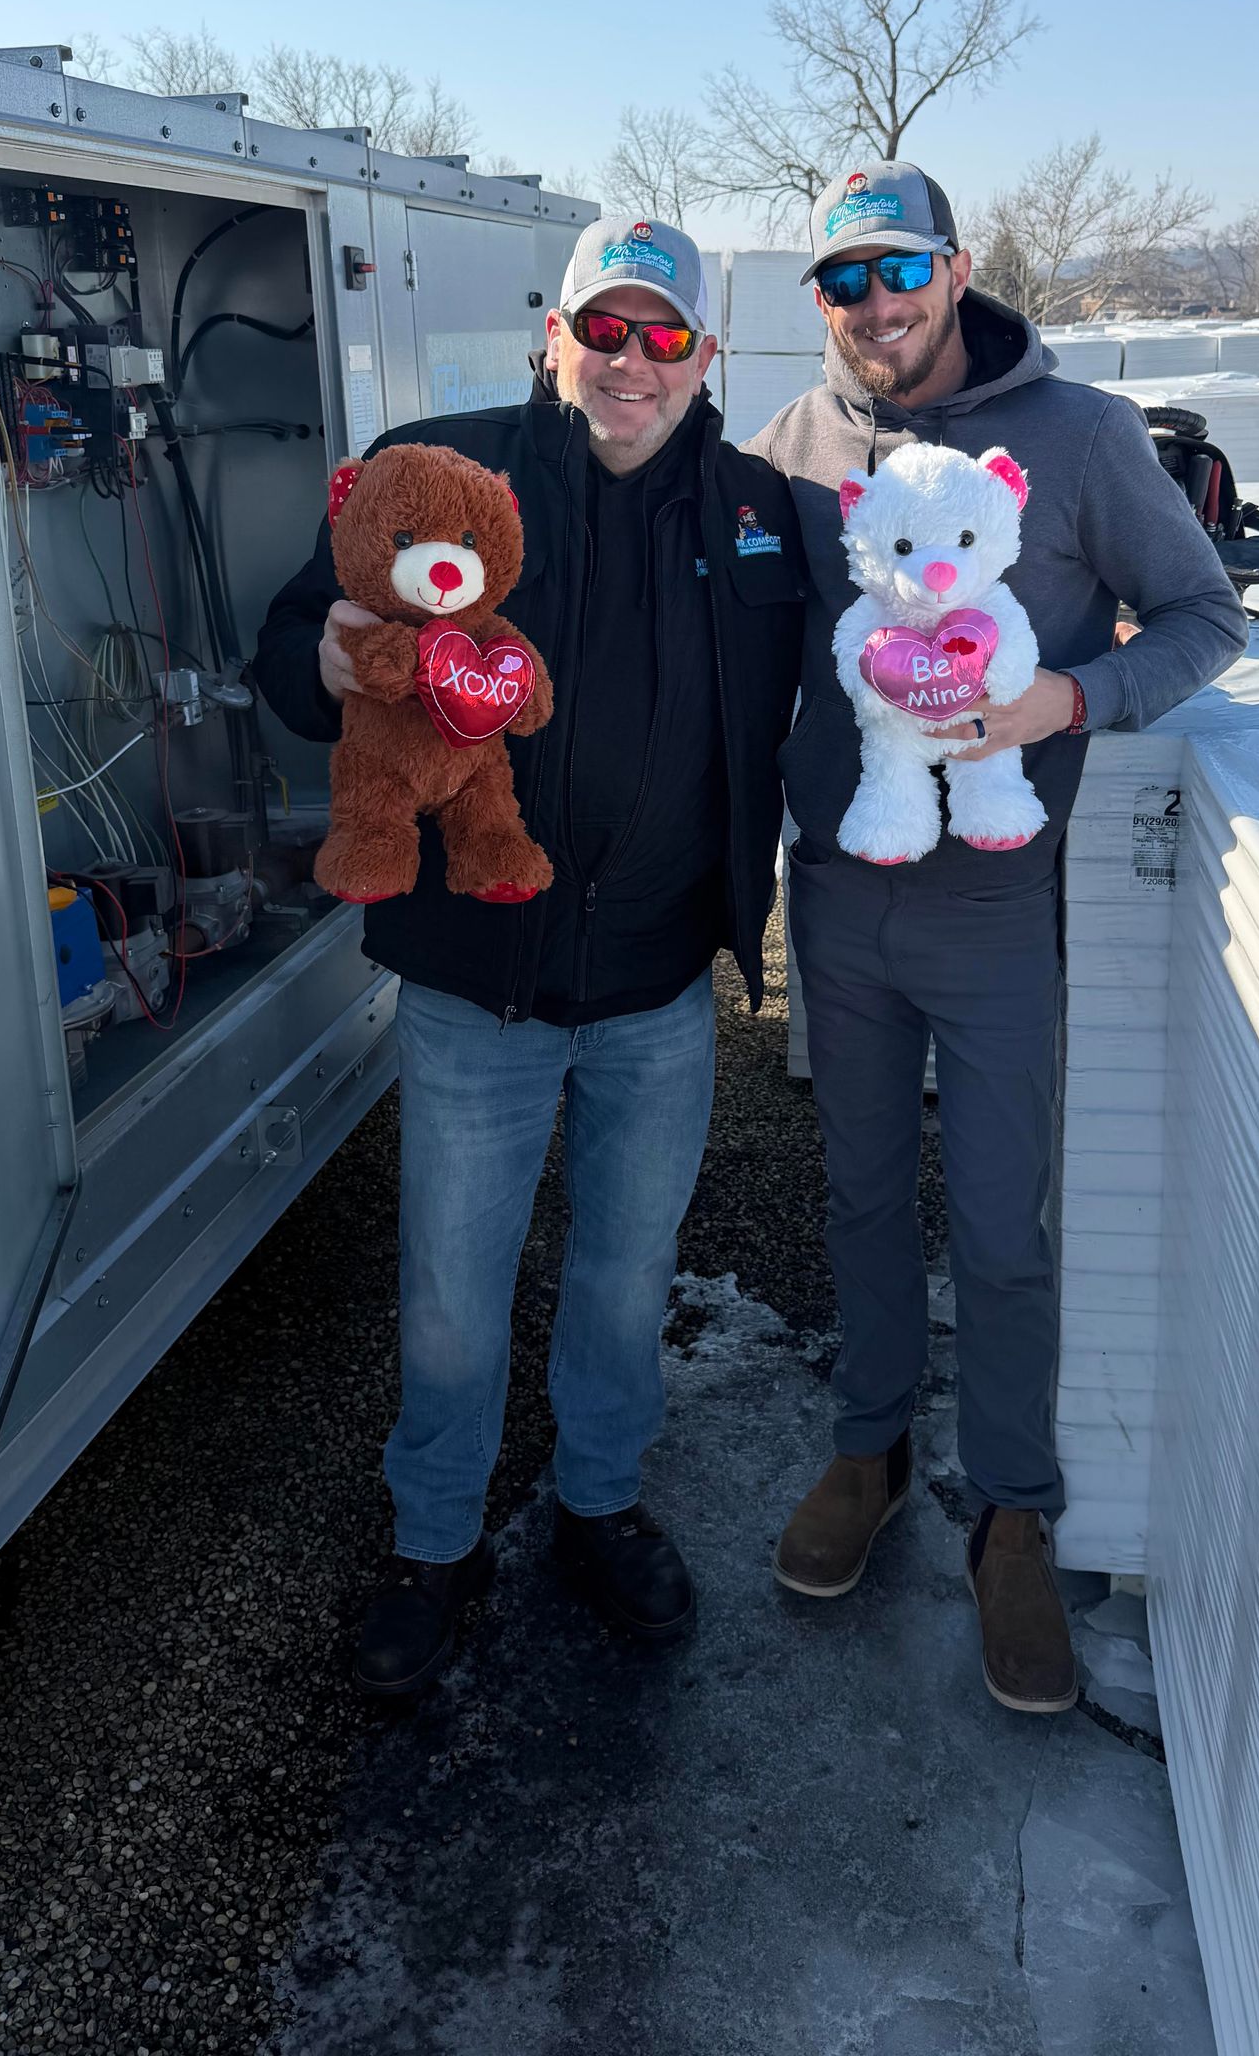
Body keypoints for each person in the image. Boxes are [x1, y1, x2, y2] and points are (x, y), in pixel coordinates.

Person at [254, 215, 804, 1696]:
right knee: (450, 1285)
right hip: (475, 986)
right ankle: (435, 1542)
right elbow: (292, 640)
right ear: (551, 338)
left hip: (656, 990)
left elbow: (905, 623)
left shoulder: (763, 515)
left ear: (707, 359)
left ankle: (597, 1504)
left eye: (665, 336)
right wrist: (324, 657)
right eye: (604, 330)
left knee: (627, 1277)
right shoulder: (444, 474)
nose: (631, 362)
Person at [746, 162, 1247, 1712]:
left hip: (994, 906)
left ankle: (1014, 1510)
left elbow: (1204, 616)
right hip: (836, 891)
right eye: (842, 281)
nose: (874, 307)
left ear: (955, 268)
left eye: (899, 271)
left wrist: (1064, 701)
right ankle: (870, 1449)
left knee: (1004, 1219)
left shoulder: (1082, 437)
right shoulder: (795, 444)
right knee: (859, 1193)